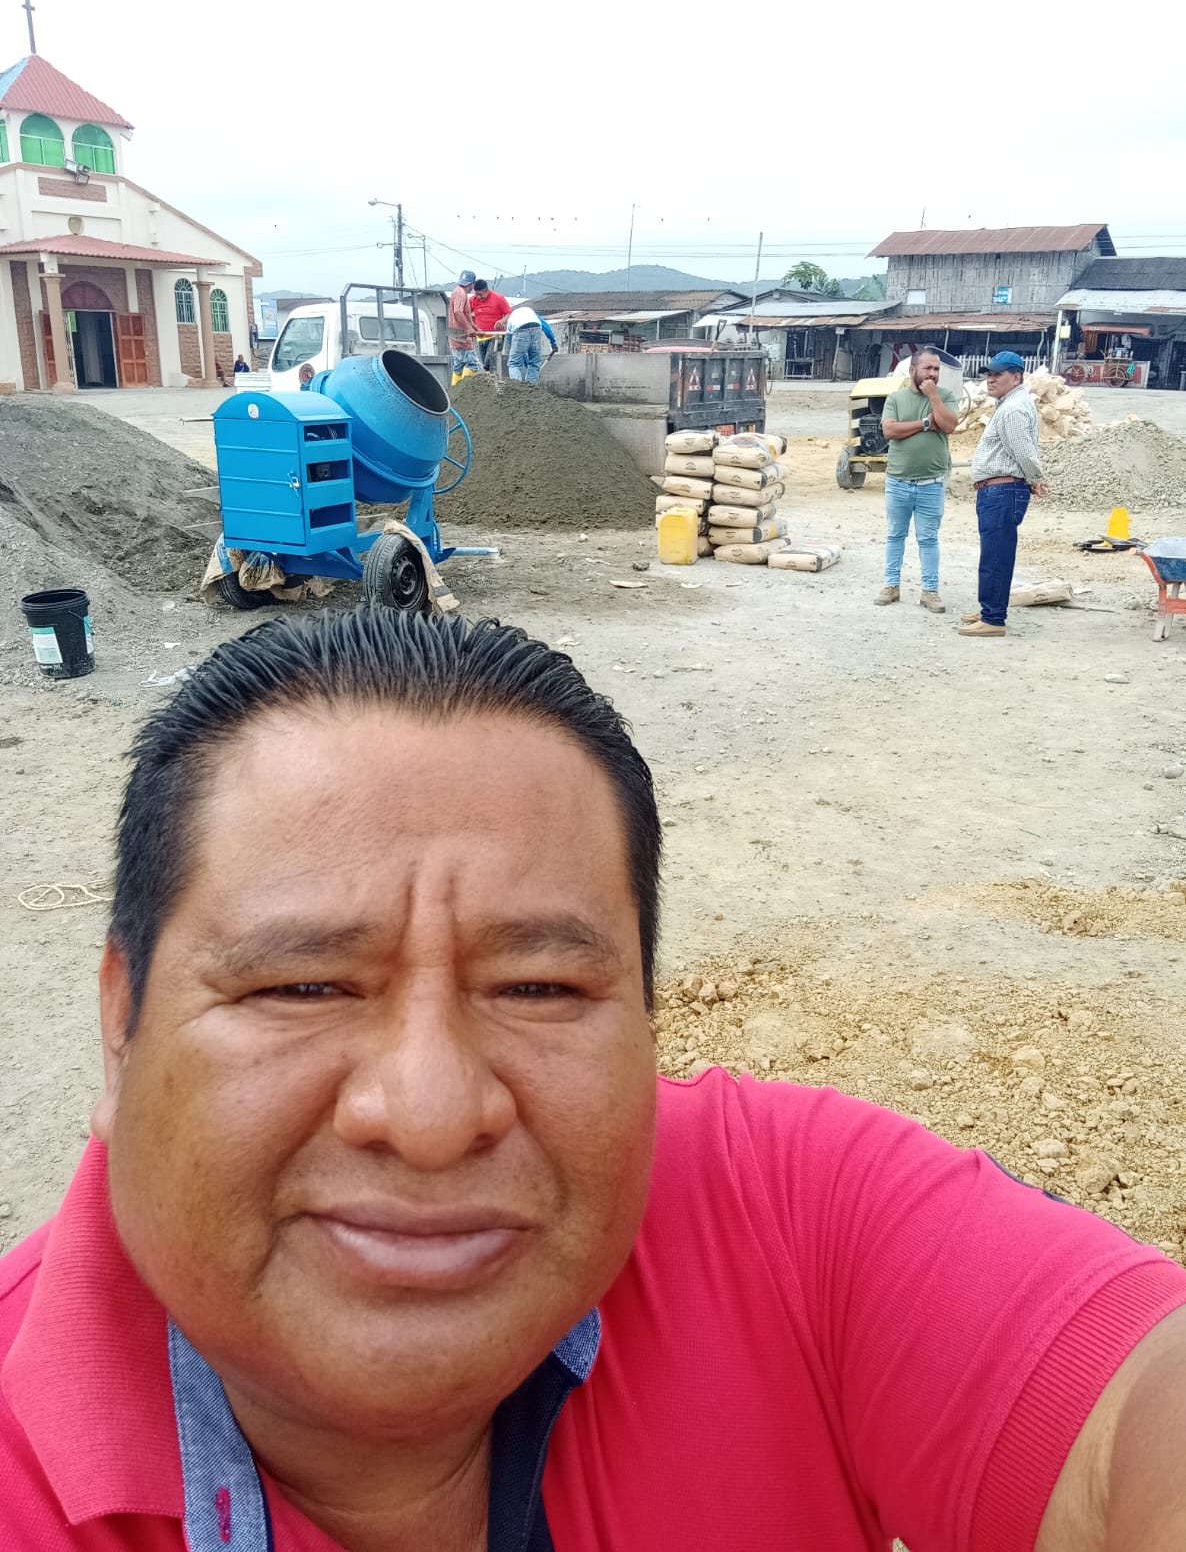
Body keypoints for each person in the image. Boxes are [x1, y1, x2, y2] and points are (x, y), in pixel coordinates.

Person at [3, 609, 1186, 1552]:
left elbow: (1139, 1397)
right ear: (120, 1030)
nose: (430, 1115)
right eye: (303, 987)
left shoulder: (784, 1215)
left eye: (538, 989)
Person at [961, 350, 1049, 637]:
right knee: (994, 554)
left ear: (1016, 377)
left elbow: (1023, 451)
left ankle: (993, 619)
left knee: (996, 556)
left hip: (1003, 491)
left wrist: (1035, 477)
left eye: (998, 374)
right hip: (1000, 490)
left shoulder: (1013, 409)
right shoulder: (1011, 404)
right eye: (989, 374)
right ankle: (990, 609)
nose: (991, 379)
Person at [874, 347, 960, 613]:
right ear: (913, 370)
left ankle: (930, 591)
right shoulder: (896, 398)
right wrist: (924, 423)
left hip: (931, 483)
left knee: (928, 539)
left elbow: (949, 425)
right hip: (898, 481)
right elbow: (889, 430)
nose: (933, 373)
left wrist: (934, 397)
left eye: (936, 369)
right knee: (895, 535)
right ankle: (891, 586)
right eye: (927, 368)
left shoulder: (945, 396)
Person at [500, 304, 558, 385]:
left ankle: (516, 387)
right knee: (535, 363)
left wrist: (524, 360)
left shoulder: (511, 319)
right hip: (536, 329)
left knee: (514, 363)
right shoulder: (532, 315)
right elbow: (546, 327)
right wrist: (553, 343)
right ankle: (532, 387)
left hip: (520, 330)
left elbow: (513, 342)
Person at [447, 269, 482, 385]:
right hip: (461, 334)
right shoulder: (461, 294)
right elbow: (458, 312)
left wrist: (475, 328)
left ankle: (454, 390)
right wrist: (468, 328)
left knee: (459, 366)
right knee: (473, 364)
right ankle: (464, 390)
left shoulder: (456, 291)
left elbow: (466, 315)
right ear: (472, 284)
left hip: (455, 333)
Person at [470, 279, 512, 371]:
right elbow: (466, 314)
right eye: (476, 294)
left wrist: (502, 321)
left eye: (480, 294)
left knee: (489, 363)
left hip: (495, 336)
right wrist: (472, 327)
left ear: (486, 291)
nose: (478, 297)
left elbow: (508, 313)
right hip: (481, 336)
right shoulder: (473, 300)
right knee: (484, 365)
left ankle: (494, 376)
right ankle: (490, 377)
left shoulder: (498, 298)